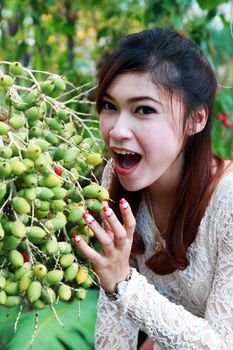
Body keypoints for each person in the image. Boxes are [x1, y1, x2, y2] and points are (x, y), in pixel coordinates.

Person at [73, 28, 233, 349]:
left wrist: (125, 285)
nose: (117, 130)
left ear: (196, 119)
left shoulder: (228, 201)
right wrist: (120, 287)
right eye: (109, 106)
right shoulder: (116, 177)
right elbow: (115, 318)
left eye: (144, 109)